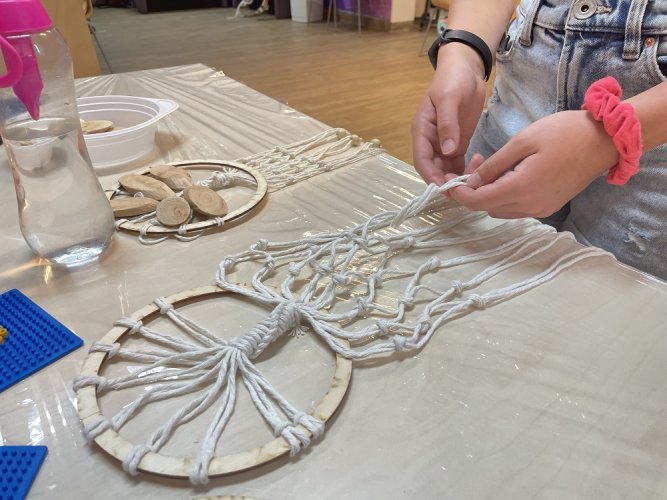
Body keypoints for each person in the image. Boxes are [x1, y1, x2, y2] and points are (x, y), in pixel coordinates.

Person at [412, 0, 667, 281]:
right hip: (519, 91)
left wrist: (611, 135)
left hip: (655, 141)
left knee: (600, 303)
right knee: (450, 279)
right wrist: (463, 53)